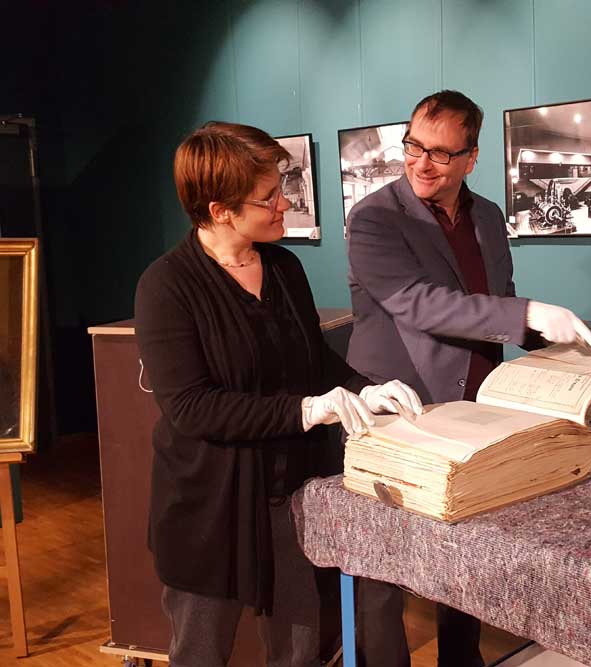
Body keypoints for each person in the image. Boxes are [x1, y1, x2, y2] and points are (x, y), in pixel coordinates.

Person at [134, 121, 423, 667]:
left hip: (291, 491)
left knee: (299, 649)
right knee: (201, 651)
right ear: (219, 209)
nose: (284, 204)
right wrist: (306, 410)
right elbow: (192, 407)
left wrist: (366, 389)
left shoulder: (284, 267)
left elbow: (311, 361)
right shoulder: (166, 286)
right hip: (211, 507)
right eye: (268, 197)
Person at [346, 90, 591, 667]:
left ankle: (462, 659)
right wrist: (527, 314)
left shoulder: (485, 215)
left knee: (463, 544)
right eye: (413, 146)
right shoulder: (374, 218)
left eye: (439, 153)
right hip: (397, 402)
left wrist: (554, 340)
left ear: (471, 157)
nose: (421, 163)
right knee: (381, 559)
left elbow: (494, 302)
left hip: (476, 398)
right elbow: (417, 304)